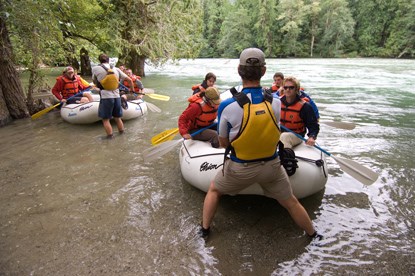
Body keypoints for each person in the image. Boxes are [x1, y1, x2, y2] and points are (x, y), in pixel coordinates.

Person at [200, 48, 321, 241]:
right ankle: (313, 234)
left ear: (239, 70)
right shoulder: (275, 102)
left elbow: (223, 143)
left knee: (214, 189)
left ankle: (205, 230)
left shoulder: (227, 105)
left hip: (240, 168)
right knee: (291, 202)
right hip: (272, 167)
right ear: (263, 71)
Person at [92, 53, 135, 139]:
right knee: (118, 118)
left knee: (105, 119)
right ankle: (122, 134)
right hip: (117, 96)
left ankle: (110, 137)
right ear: (108, 60)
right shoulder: (116, 69)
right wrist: (132, 90)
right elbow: (130, 80)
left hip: (105, 97)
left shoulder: (95, 68)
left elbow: (94, 81)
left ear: (100, 61)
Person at [279, 76, 319, 149]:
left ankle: (286, 157)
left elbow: (313, 126)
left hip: (296, 135)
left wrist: (312, 137)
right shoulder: (277, 102)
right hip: (278, 133)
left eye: (291, 87)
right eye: (285, 87)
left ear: (296, 89)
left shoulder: (305, 106)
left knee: (284, 136)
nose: (288, 90)